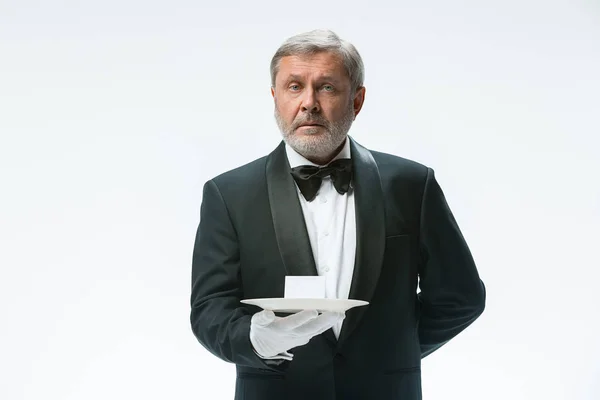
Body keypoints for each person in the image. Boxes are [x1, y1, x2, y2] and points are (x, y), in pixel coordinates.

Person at [190, 29, 486, 400]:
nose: (309, 103)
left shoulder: (412, 184)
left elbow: (461, 297)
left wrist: (391, 350)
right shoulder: (228, 194)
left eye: (327, 87)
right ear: (274, 97)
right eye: (294, 86)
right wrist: (255, 339)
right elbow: (208, 310)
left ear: (357, 100)